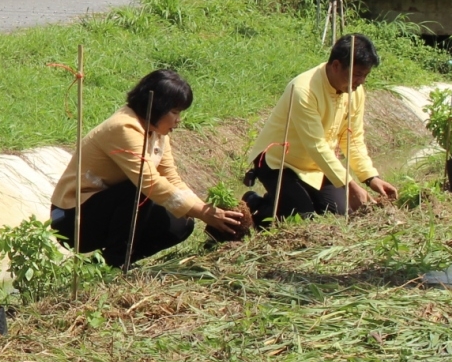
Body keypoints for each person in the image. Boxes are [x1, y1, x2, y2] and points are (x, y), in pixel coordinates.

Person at [50, 70, 249, 267]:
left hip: (106, 211)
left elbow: (170, 177)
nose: (178, 119)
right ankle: (117, 262)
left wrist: (203, 210)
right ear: (157, 107)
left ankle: (103, 265)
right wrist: (203, 213)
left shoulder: (157, 133)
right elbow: (149, 181)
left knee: (180, 224)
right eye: (174, 112)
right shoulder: (123, 128)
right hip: (73, 219)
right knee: (139, 190)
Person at [243, 34, 399, 224]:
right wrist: (350, 186)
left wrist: (371, 178)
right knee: (302, 219)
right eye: (357, 74)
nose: (361, 81)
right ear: (336, 66)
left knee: (339, 216)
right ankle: (255, 204)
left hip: (317, 166)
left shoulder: (355, 92)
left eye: (365, 75)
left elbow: (352, 139)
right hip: (278, 162)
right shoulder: (303, 90)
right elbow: (316, 146)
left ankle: (286, 201)